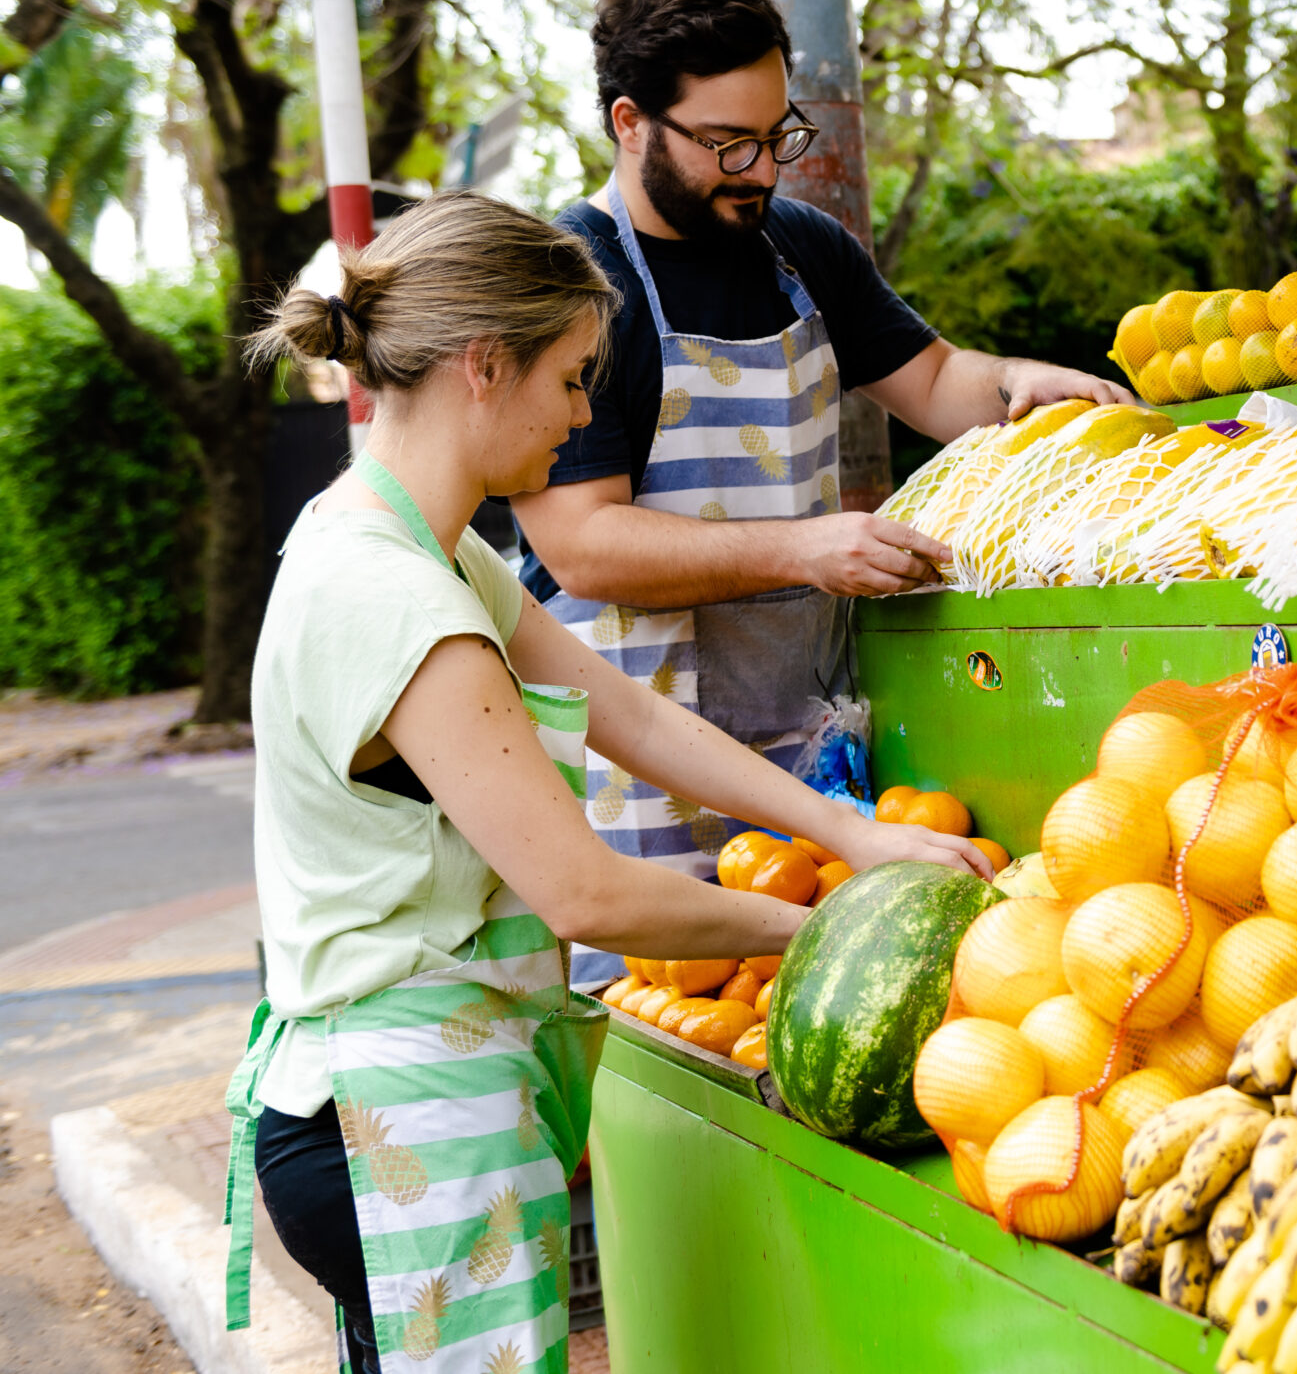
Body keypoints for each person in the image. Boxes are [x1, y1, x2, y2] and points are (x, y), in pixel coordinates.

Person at [222, 192, 988, 1374]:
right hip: (401, 1123)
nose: (585, 416)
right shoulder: (395, 591)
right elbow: (584, 894)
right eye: (575, 378)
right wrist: (846, 929)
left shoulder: (417, 540)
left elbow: (625, 710)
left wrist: (854, 835)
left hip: (403, 1103)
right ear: (486, 365)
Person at [511, 0, 1128, 979]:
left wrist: (1018, 380)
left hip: (804, 740)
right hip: (634, 757)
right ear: (629, 122)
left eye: (776, 134)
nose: (761, 169)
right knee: (664, 1024)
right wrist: (808, 547)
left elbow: (933, 380)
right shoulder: (572, 281)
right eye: (726, 142)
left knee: (811, 992)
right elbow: (580, 546)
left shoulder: (802, 247)